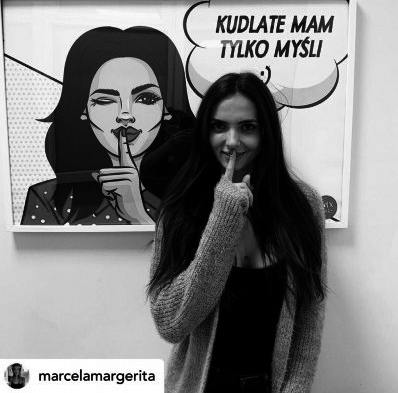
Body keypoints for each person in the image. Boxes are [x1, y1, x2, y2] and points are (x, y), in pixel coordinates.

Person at [148, 72, 327, 393]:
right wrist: (223, 219)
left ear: (266, 132)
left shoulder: (303, 205)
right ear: (205, 132)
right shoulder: (179, 207)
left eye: (247, 127)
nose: (232, 141)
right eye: (219, 126)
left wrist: (296, 388)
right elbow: (170, 324)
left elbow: (309, 313)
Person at [21, 26, 194, 225]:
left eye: (146, 98)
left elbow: (193, 246)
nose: (125, 115)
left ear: (166, 110)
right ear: (84, 109)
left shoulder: (188, 193)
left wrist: (137, 215)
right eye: (105, 100)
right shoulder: (47, 198)